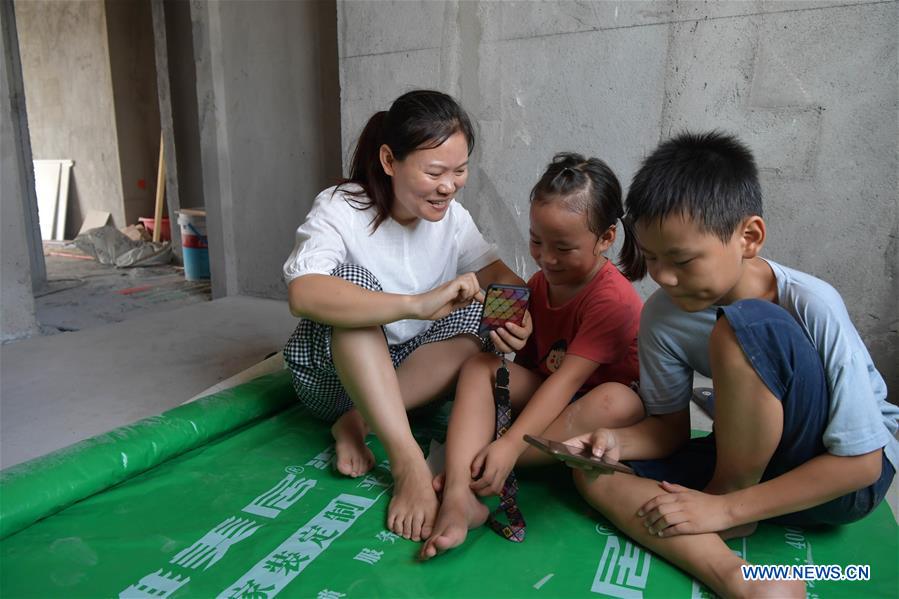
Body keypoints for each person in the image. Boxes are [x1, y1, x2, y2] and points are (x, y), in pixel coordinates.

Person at [565, 131, 898, 598]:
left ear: (749, 237)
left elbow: (862, 464)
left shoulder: (813, 302)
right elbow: (669, 430)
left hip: (839, 475)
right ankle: (740, 578)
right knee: (593, 474)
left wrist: (724, 508)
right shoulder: (664, 314)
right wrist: (612, 442)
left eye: (680, 259)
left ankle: (728, 507)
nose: (662, 275)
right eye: (652, 257)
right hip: (751, 460)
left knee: (745, 324)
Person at [282, 90, 527, 542]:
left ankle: (360, 421)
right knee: (354, 282)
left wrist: (514, 315)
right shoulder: (343, 206)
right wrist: (416, 303)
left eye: (459, 171)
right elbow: (303, 292)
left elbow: (500, 275)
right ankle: (407, 460)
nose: (448, 186)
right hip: (332, 377)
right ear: (390, 160)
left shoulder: (452, 218)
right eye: (434, 172)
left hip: (405, 382)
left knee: (479, 316)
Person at [421, 153, 645, 559]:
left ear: (607, 238)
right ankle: (459, 495)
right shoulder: (536, 285)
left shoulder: (613, 299)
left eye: (564, 247)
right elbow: (517, 364)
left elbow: (566, 382)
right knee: (479, 365)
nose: (547, 258)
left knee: (616, 400)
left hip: (596, 409)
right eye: (536, 241)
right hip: (549, 399)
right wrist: (506, 340)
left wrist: (507, 448)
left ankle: (488, 467)